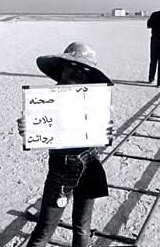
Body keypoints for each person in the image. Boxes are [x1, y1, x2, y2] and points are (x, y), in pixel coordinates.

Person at [17, 42, 114, 247]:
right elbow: (37, 131)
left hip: (90, 166)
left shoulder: (95, 101)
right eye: (73, 66)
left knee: (82, 227)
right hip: (61, 170)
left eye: (85, 69)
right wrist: (27, 128)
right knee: (45, 228)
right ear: (62, 67)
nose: (79, 72)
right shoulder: (44, 101)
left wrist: (105, 135)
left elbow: (101, 142)